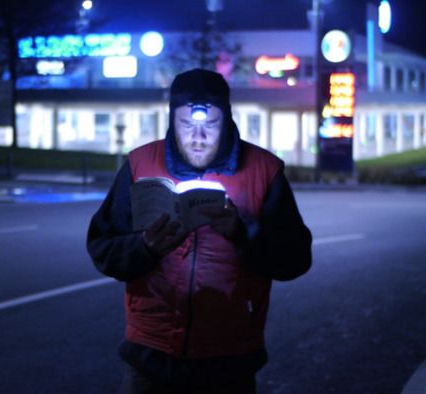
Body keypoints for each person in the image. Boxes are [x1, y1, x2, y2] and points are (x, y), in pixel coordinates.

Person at [86, 68, 312, 393]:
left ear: (228, 119)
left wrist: (243, 234)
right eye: (187, 123)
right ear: (171, 120)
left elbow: (296, 259)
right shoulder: (139, 165)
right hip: (150, 354)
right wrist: (145, 247)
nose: (198, 135)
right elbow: (101, 247)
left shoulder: (264, 170)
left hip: (230, 359)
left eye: (210, 124)